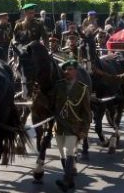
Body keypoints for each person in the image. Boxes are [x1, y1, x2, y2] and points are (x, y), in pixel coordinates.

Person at [53, 59, 91, 192]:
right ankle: (70, 181)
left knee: (69, 151)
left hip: (74, 126)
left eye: (70, 70)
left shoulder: (82, 89)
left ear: (76, 71)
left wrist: (84, 130)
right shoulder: (58, 86)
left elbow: (87, 113)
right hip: (59, 126)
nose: (67, 72)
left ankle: (65, 179)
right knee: (62, 153)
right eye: (65, 70)